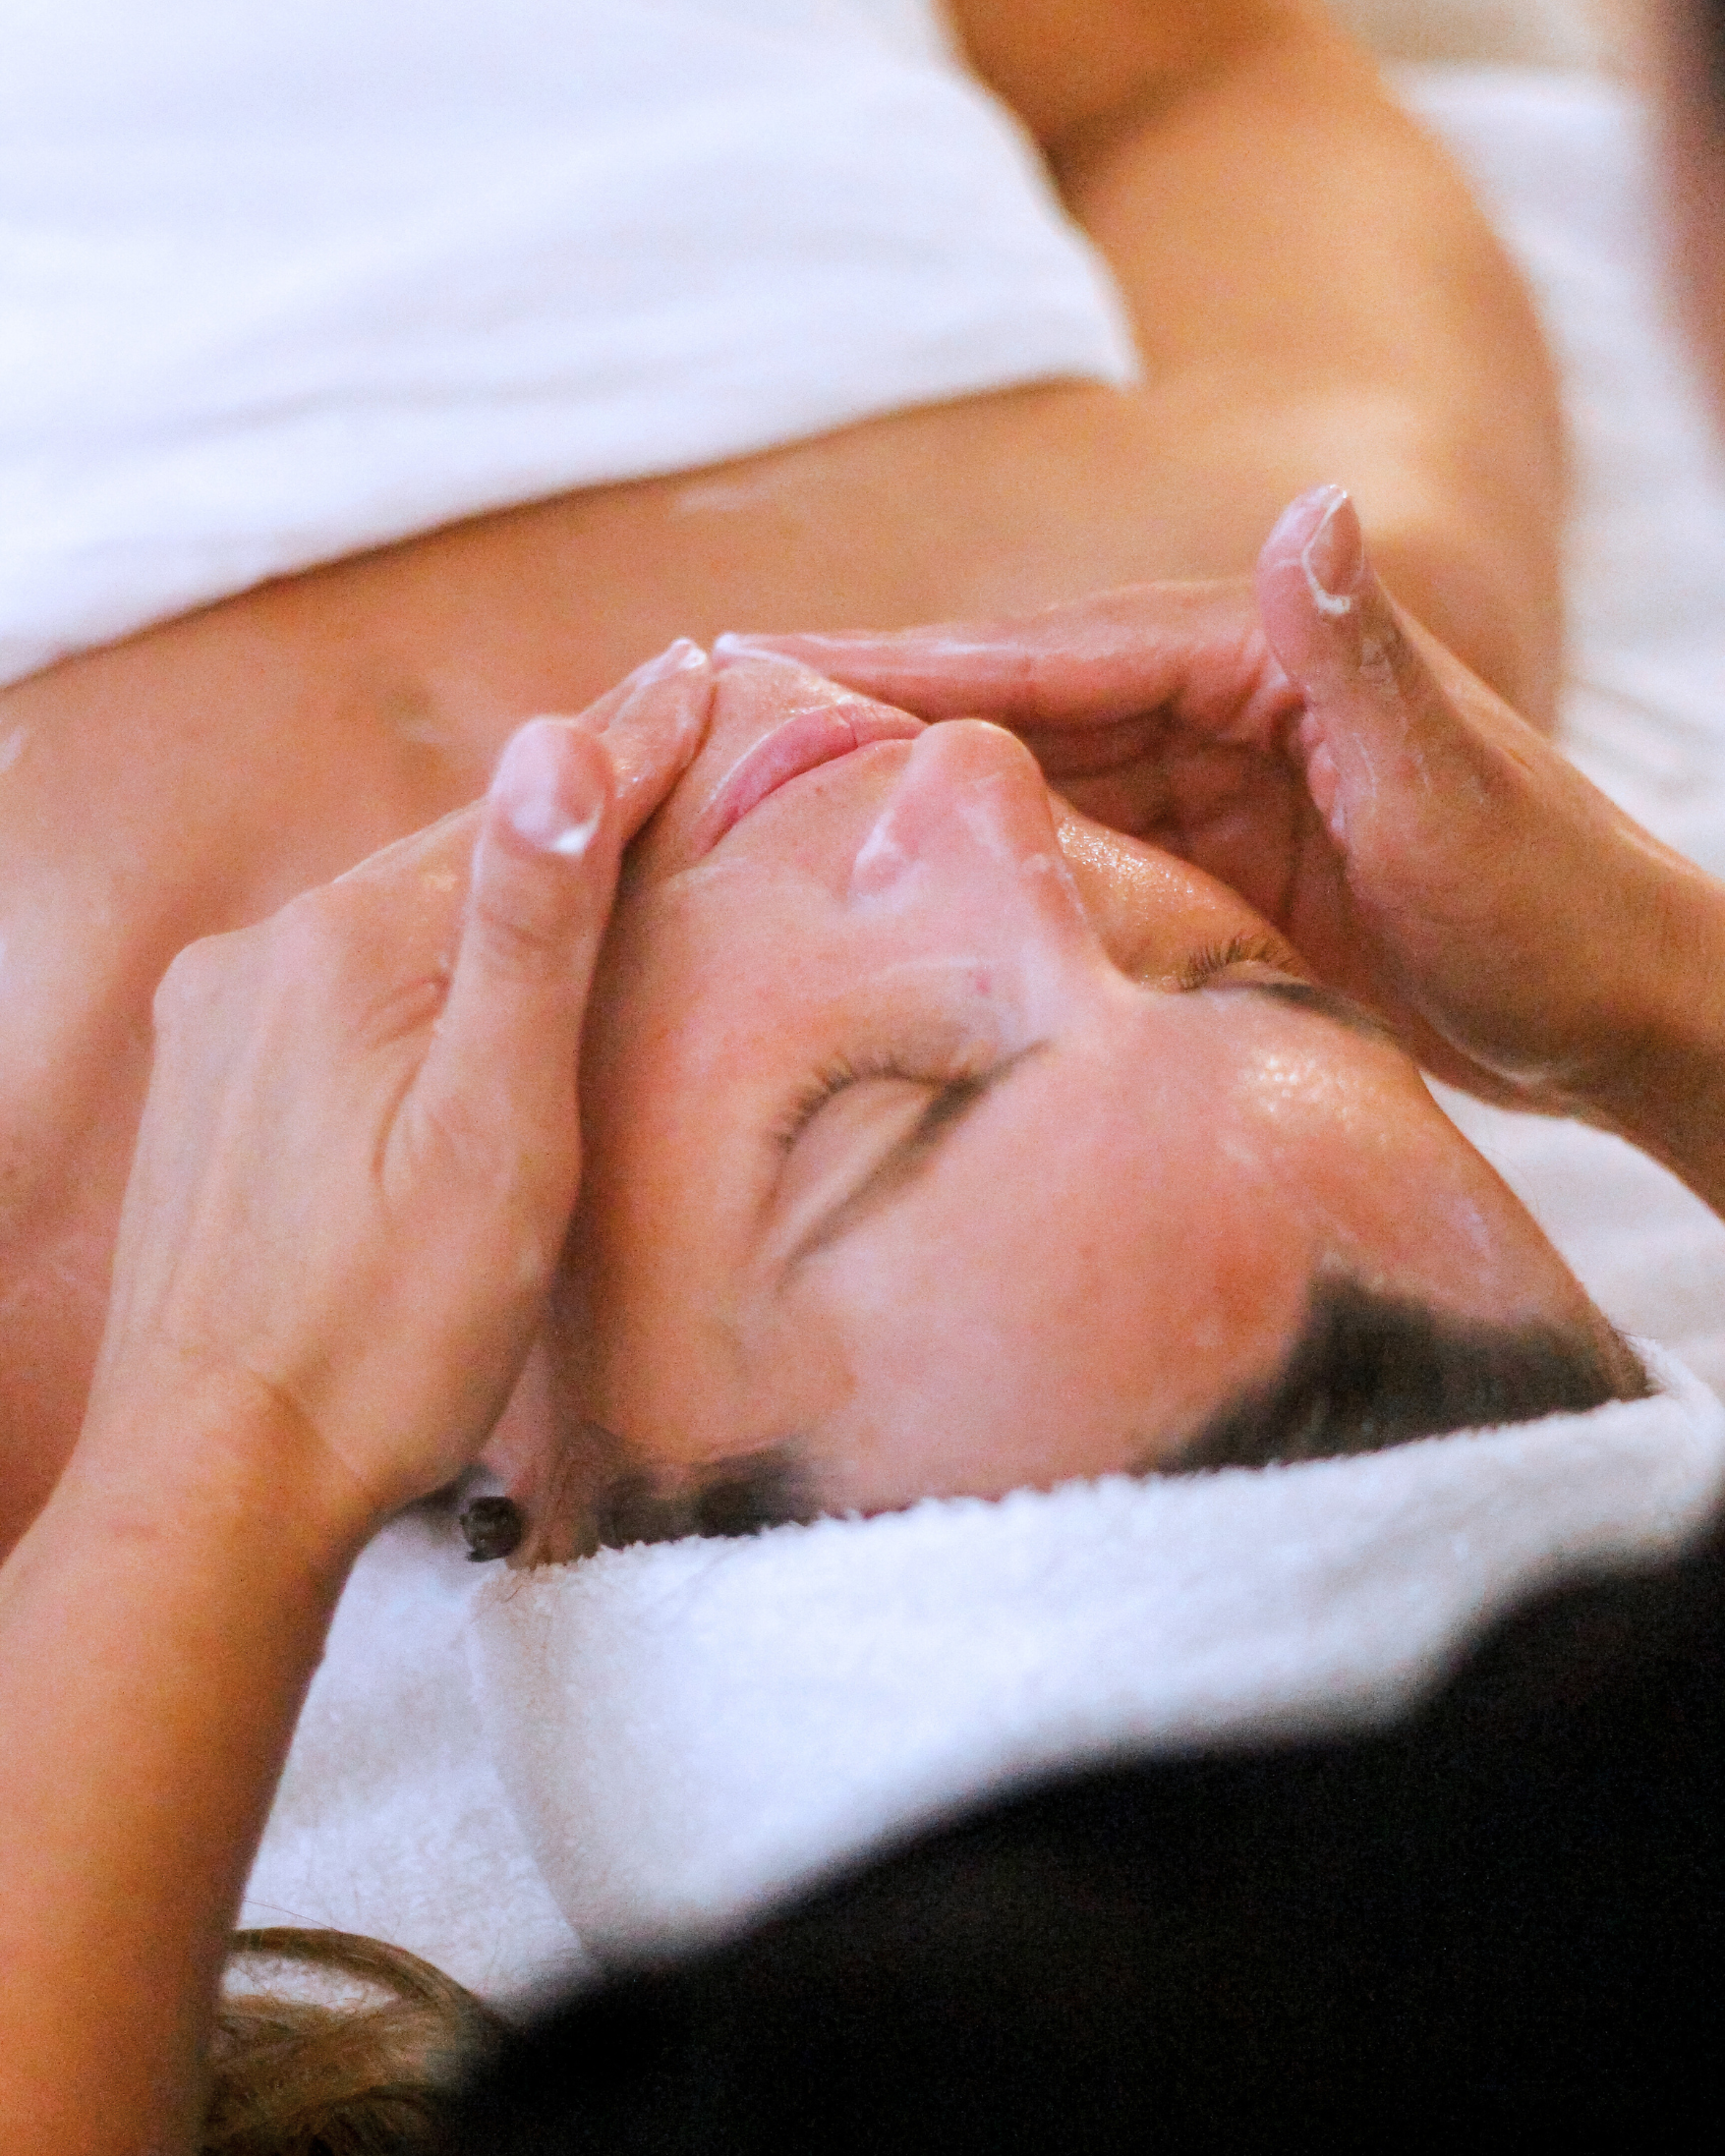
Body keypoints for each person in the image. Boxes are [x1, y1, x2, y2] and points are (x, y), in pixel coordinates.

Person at [0, 0, 1567, 1560]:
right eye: (1226, 978)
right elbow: (1202, 73)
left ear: (547, 1513)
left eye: (890, 1095)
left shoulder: (58, 1287)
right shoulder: (1321, 684)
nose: (981, 796)